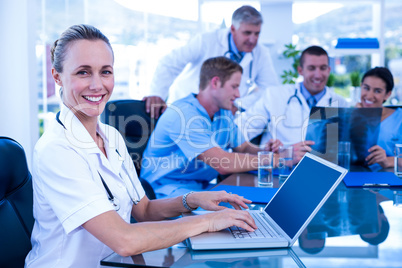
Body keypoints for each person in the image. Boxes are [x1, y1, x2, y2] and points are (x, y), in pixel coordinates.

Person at [25, 24, 257, 268]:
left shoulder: (111, 137)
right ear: (57, 76)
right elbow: (124, 240)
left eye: (105, 72)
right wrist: (207, 222)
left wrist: (194, 199)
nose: (97, 85)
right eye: (83, 72)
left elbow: (144, 210)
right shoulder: (57, 149)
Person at [141, 56, 282, 198]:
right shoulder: (184, 115)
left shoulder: (224, 112)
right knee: (234, 216)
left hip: (199, 187)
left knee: (251, 204)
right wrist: (272, 159)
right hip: (166, 190)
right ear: (215, 83)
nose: (238, 95)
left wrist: (265, 150)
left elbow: (244, 148)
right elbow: (222, 163)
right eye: (234, 87)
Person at [143, 5, 279, 118]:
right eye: (247, 33)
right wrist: (157, 94)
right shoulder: (206, 41)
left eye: (257, 34)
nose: (253, 39)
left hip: (221, 114)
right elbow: (170, 63)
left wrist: (239, 105)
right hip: (186, 109)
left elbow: (269, 88)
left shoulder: (261, 53)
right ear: (233, 29)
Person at [235, 45, 348, 162]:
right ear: (300, 70)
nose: (318, 75)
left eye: (323, 68)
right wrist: (266, 150)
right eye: (311, 68)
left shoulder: (341, 104)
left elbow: (348, 147)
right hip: (278, 170)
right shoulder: (275, 95)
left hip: (322, 170)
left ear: (329, 70)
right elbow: (239, 131)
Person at [356, 67, 402, 170]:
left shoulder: (399, 119)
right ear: (361, 86)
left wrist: (389, 160)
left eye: (377, 91)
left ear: (387, 94)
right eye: (366, 88)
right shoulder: (349, 116)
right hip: (351, 179)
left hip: (389, 180)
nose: (369, 96)